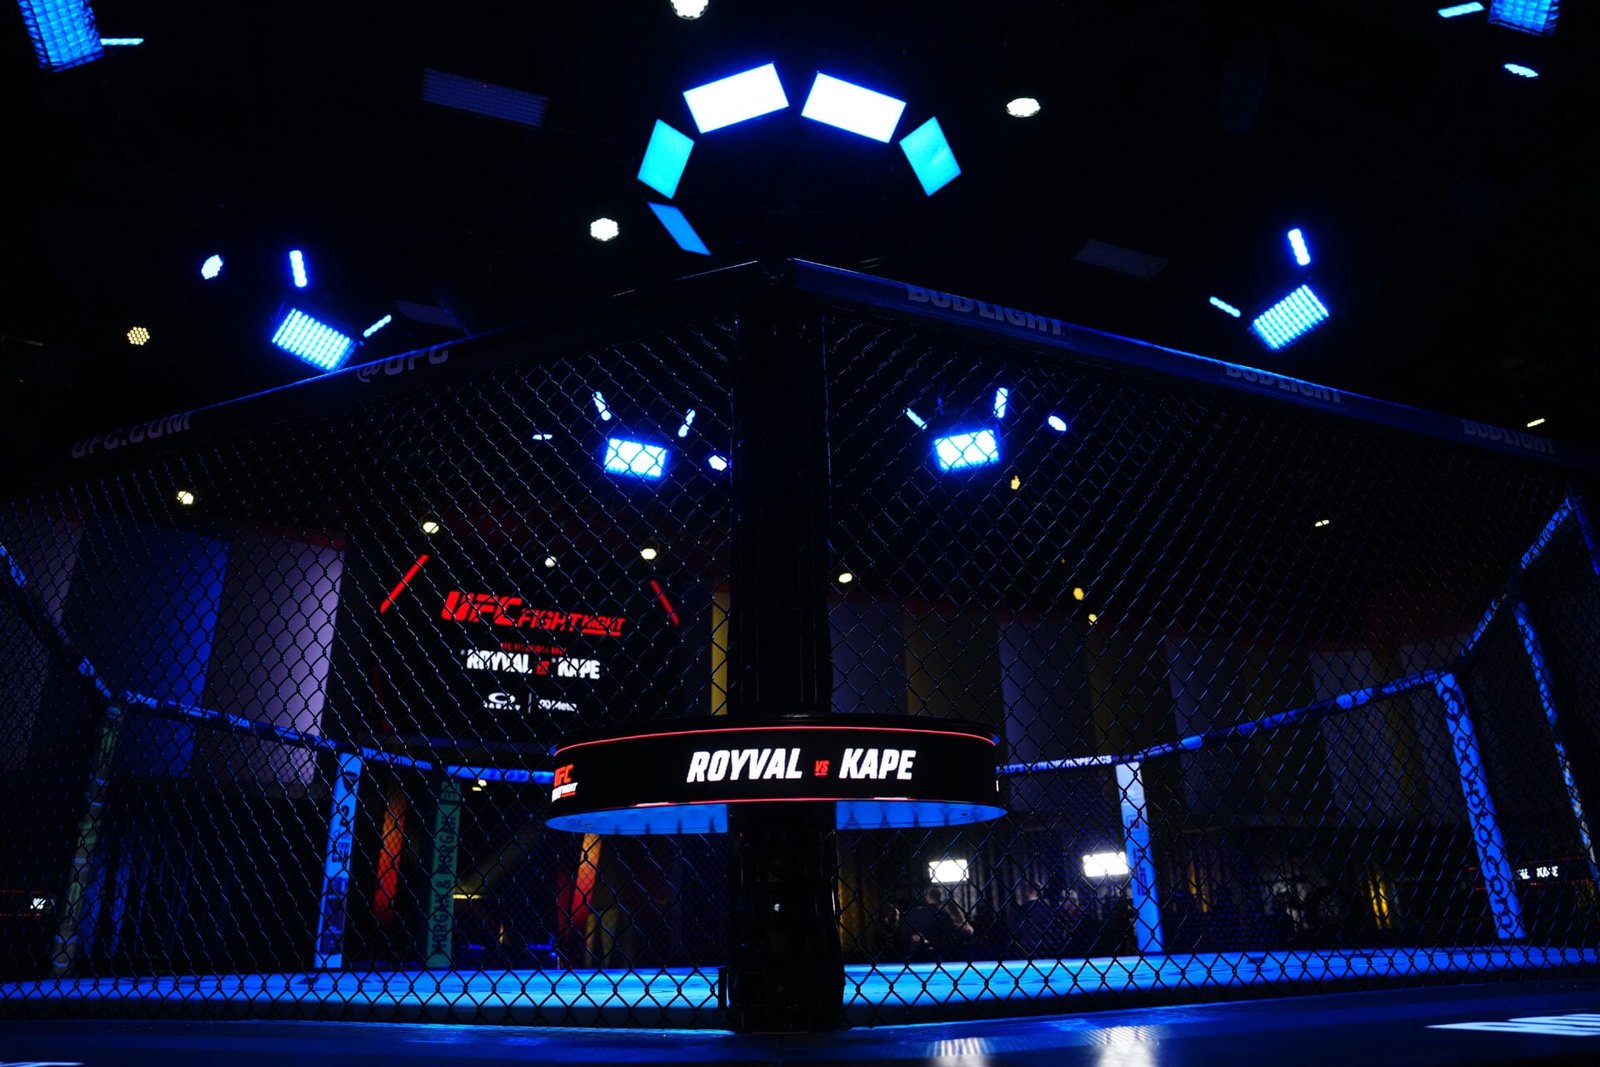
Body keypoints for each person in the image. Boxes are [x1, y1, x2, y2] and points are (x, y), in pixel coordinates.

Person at [898, 886, 962, 962]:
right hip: (937, 953)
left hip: (914, 952)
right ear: (939, 898)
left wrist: (912, 937)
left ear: (927, 897)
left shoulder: (914, 913)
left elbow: (904, 930)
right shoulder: (942, 915)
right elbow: (951, 934)